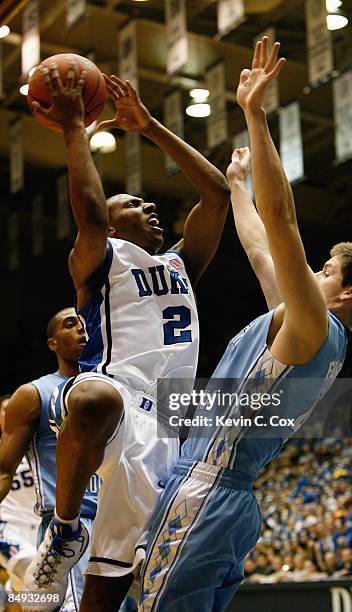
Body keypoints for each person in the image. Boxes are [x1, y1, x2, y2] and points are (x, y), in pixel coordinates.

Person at [138, 38, 352, 611]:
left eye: (325, 268)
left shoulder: (314, 325)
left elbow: (281, 221)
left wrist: (254, 115)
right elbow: (261, 248)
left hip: (207, 491)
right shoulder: (307, 329)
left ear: (347, 292)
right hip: (227, 499)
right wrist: (236, 189)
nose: (312, 269)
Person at [24, 63, 230, 611]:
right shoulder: (101, 255)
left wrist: (150, 126)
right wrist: (73, 130)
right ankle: (65, 529)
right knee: (91, 396)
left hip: (167, 427)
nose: (149, 206)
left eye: (148, 202)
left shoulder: (183, 263)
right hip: (115, 396)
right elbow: (89, 214)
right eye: (133, 204)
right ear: (114, 227)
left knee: (107, 585)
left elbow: (216, 195)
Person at [0, 308, 100, 610]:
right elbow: (4, 470)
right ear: (52, 343)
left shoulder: (122, 386)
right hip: (70, 526)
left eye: (85, 324)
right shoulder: (34, 394)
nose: (82, 330)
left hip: (122, 524)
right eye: (70, 325)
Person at [0, 399, 39, 594]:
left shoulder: (43, 447)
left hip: (46, 527)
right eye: (5, 410)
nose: (10, 414)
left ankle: (13, 592)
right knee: (33, 572)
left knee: (42, 590)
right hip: (9, 529)